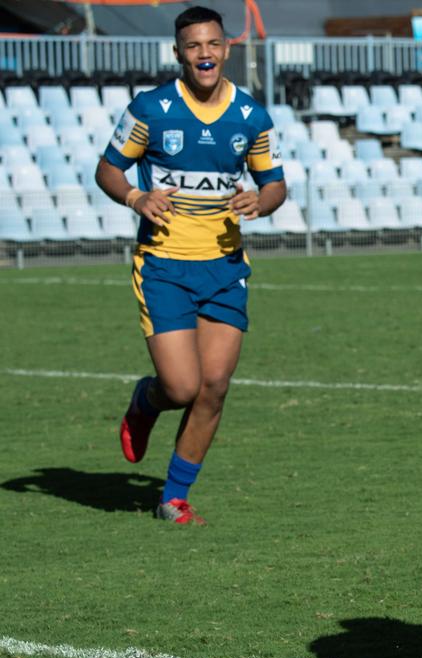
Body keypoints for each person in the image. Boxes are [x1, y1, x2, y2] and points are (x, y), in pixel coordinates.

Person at [95, 6, 285, 525]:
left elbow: (275, 185)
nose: (205, 54)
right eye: (194, 46)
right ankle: (146, 401)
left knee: (214, 387)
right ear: (179, 52)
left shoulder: (252, 118)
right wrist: (137, 198)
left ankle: (173, 498)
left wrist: (260, 202)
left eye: (213, 44)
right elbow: (108, 169)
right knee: (180, 387)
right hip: (164, 265)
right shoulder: (152, 109)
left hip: (224, 266)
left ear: (227, 48)